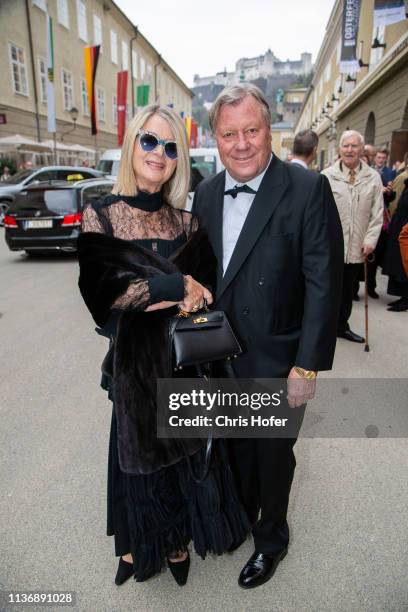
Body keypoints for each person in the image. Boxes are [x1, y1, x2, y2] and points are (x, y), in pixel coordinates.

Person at [78, 104, 249, 587]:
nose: (159, 153)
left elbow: (208, 291)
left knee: (184, 458)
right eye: (149, 141)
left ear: (178, 160)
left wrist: (181, 291)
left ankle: (175, 542)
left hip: (183, 364)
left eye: (170, 146)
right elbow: (106, 293)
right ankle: (136, 547)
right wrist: (176, 288)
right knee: (136, 461)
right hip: (134, 367)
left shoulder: (187, 223)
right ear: (132, 144)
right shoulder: (102, 214)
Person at [192, 84, 343, 589]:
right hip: (221, 355)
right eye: (228, 133)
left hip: (278, 358)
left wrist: (307, 365)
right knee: (235, 448)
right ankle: (240, 516)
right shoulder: (208, 193)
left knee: (272, 454)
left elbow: (325, 284)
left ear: (270, 132)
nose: (240, 144)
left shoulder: (306, 189)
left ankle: (271, 540)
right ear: (215, 136)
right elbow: (204, 270)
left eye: (251, 131)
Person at [322, 131, 383, 342]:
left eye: (354, 146)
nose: (349, 150)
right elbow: (318, 212)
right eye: (346, 146)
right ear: (340, 149)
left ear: (361, 149)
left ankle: (342, 326)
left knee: (347, 291)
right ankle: (324, 328)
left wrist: (370, 240)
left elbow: (377, 214)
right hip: (331, 247)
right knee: (327, 291)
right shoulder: (326, 176)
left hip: (357, 246)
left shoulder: (373, 177)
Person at [382, 178, 408, 311]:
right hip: (400, 228)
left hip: (406, 230)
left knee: (405, 265)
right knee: (400, 265)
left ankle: (406, 300)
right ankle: (404, 296)